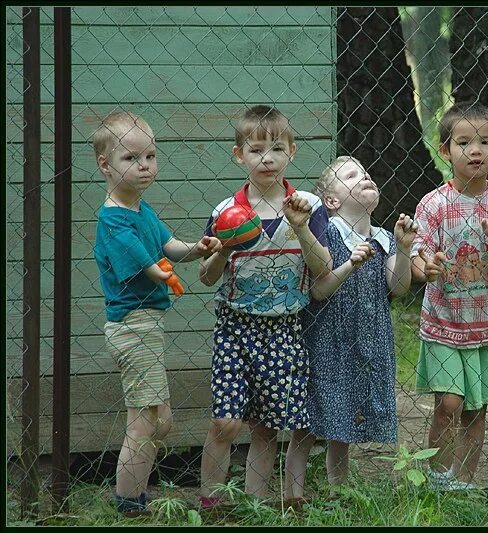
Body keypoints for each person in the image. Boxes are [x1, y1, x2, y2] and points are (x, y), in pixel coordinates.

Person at [197, 105, 332, 510]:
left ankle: (255, 507)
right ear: (239, 155)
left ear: (292, 151)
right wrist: (223, 250)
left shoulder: (307, 205)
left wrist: (302, 227)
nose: (266, 158)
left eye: (276, 148)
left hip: (284, 328)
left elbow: (322, 267)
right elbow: (206, 277)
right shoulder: (225, 212)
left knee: (266, 427)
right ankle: (211, 504)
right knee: (225, 421)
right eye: (256, 150)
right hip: (235, 327)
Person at [93, 111, 222, 516]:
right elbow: (148, 264)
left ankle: (135, 492)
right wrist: (167, 276)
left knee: (156, 418)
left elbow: (170, 247)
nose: (144, 165)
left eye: (150, 156)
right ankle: (131, 502)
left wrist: (198, 249)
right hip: (132, 325)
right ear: (105, 165)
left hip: (147, 325)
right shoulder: (113, 219)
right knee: (148, 419)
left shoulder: (140, 209)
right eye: (131, 158)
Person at [411, 102, 488, 490]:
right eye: (463, 142)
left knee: (476, 410)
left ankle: (463, 482)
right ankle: (437, 479)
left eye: (484, 141)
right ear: (445, 151)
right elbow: (419, 255)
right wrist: (425, 267)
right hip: (445, 322)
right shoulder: (433, 204)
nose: (475, 150)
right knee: (449, 404)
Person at [289, 156, 417, 498]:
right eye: (351, 175)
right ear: (331, 201)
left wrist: (403, 249)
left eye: (367, 174)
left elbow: (399, 286)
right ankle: (293, 498)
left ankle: (338, 495)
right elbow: (318, 290)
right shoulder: (328, 232)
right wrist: (350, 262)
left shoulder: (384, 236)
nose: (364, 177)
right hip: (326, 341)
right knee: (307, 422)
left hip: (367, 340)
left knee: (344, 425)